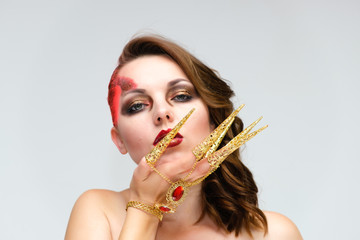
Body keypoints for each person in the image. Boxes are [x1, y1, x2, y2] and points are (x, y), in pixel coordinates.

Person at [65, 35, 302, 240]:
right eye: (137, 106)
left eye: (180, 96)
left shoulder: (273, 233)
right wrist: (145, 208)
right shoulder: (98, 212)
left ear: (212, 119)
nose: (162, 113)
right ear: (119, 141)